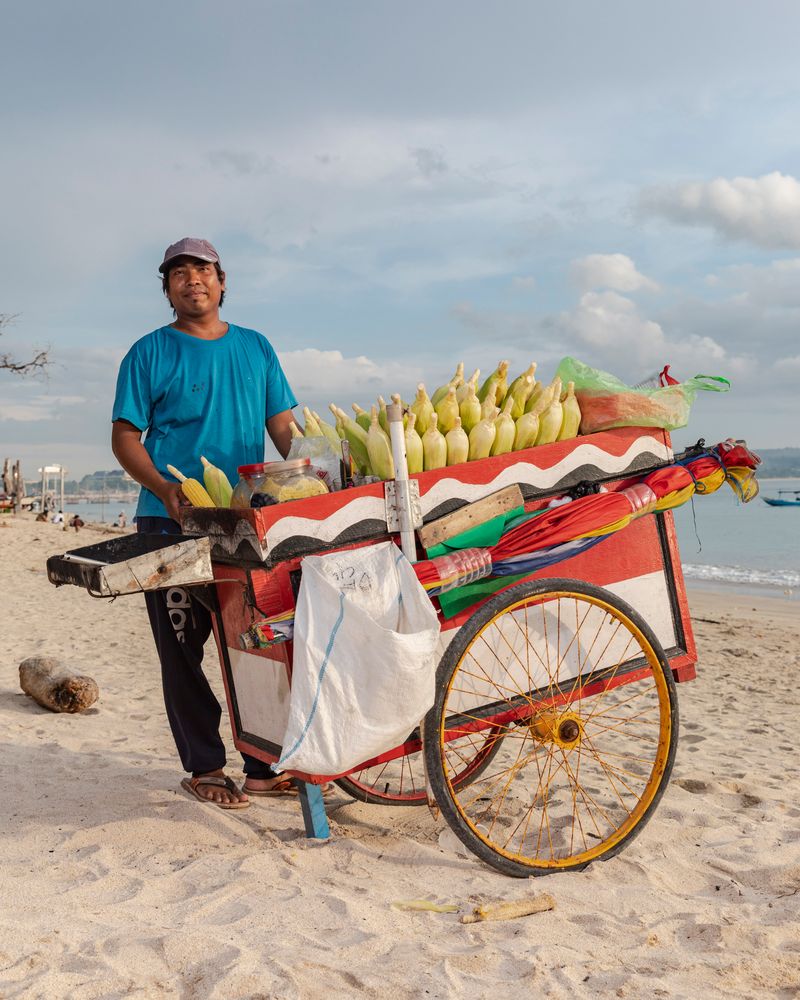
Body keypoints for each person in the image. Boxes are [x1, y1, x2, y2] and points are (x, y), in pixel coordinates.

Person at [112, 237, 298, 809]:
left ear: (222, 282)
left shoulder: (255, 347)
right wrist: (164, 488)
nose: (192, 279)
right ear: (167, 289)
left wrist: (306, 482)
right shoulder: (148, 353)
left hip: (244, 521)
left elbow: (283, 427)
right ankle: (205, 767)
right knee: (181, 650)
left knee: (256, 642)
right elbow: (124, 438)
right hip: (169, 523)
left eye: (203, 270)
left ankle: (263, 768)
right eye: (179, 273)